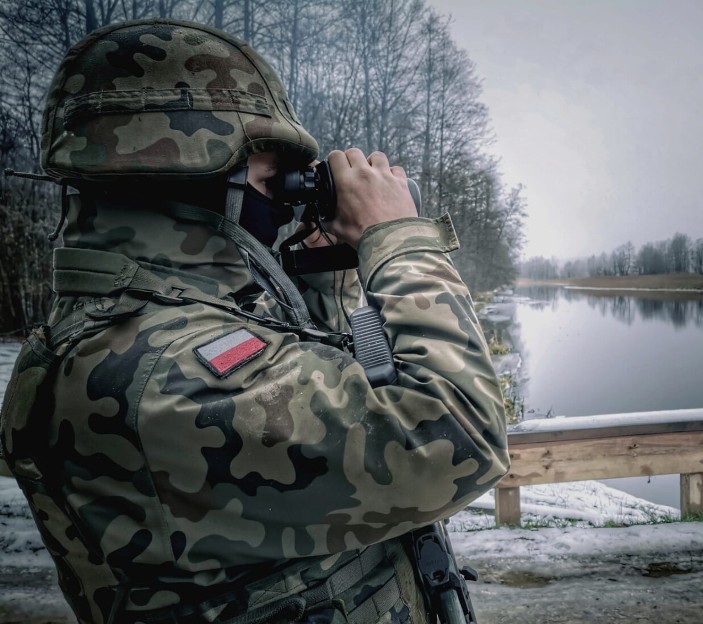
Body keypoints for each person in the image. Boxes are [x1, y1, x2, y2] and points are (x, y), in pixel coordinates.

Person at [0, 18, 509, 624]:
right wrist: (397, 241)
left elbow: (342, 382)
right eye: (269, 181)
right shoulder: (160, 376)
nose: (282, 202)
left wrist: (327, 272)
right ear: (192, 179)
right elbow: (458, 436)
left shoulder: (162, 321)